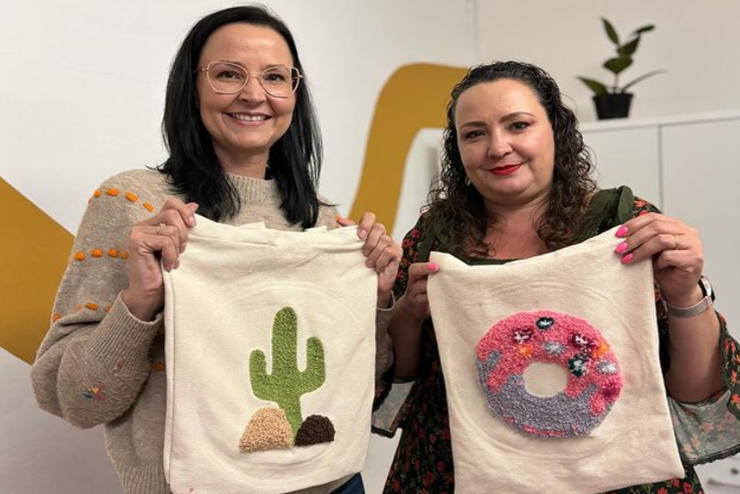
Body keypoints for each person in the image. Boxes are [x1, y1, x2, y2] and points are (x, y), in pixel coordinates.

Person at [30, 6, 400, 494]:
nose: (254, 94)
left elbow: (359, 390)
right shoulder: (133, 206)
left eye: (274, 77)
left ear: (295, 92)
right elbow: (77, 401)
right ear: (192, 87)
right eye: (228, 74)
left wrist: (376, 299)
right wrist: (140, 303)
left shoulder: (322, 220)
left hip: (329, 482)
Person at [375, 61, 740, 494]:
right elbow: (402, 377)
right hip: (457, 473)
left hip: (614, 476)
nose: (498, 146)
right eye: (474, 133)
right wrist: (409, 312)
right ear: (458, 150)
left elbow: (693, 389)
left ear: (555, 131)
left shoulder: (621, 226)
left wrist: (686, 293)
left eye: (518, 125)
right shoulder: (435, 235)